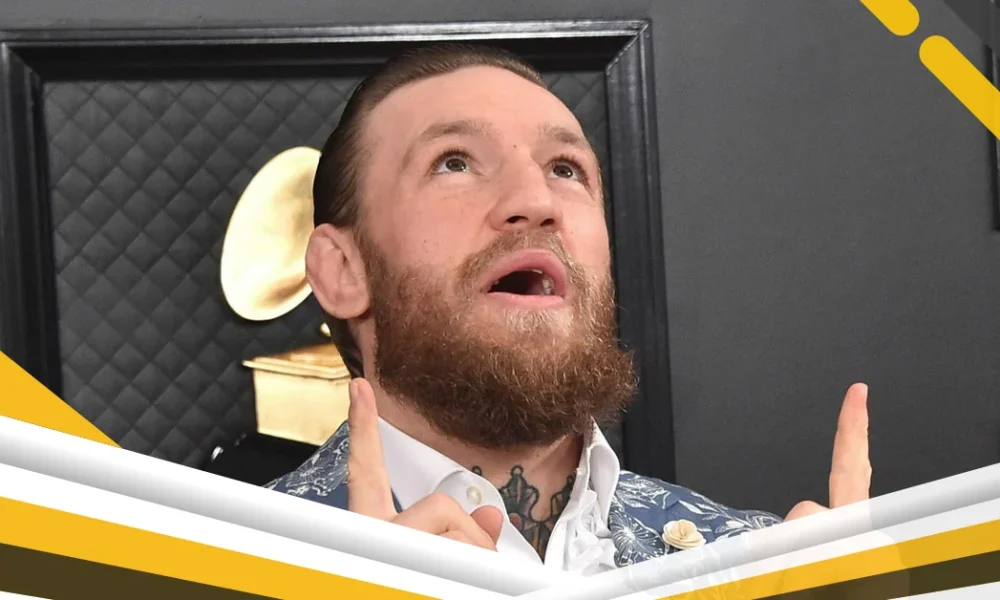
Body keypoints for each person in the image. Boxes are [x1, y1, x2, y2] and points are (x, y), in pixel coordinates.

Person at [265, 43, 872, 574]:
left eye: (565, 169)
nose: (536, 200)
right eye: (454, 162)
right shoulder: (228, 567)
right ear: (343, 271)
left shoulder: (770, 570)